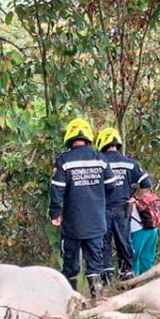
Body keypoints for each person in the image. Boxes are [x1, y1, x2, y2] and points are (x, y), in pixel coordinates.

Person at [50, 118, 117, 299]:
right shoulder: (101, 159)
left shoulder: (64, 160)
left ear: (69, 137)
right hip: (96, 223)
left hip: (72, 225)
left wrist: (55, 213)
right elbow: (111, 186)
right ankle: (98, 301)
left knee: (70, 265)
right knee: (95, 264)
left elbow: (57, 190)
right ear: (88, 136)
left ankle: (71, 301)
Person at [95, 127, 152, 286]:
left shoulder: (99, 162)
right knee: (124, 243)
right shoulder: (130, 163)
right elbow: (146, 184)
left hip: (102, 209)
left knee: (103, 244)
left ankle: (106, 280)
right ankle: (127, 278)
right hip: (123, 209)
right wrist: (134, 198)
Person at [130, 199, 158, 276]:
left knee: (133, 258)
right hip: (152, 227)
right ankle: (146, 281)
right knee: (147, 258)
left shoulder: (131, 197)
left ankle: (134, 280)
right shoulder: (146, 194)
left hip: (138, 229)